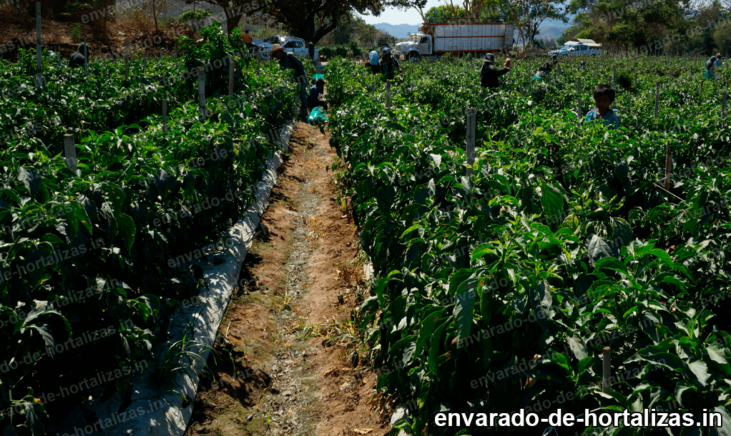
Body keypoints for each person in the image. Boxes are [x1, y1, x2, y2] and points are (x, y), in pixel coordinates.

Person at [271, 44, 308, 120]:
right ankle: (295, 114)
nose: (275, 57)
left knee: (302, 94)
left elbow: (300, 64)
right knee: (295, 96)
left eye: (275, 54)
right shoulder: (280, 63)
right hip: (294, 81)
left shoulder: (289, 55)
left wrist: (301, 75)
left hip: (301, 77)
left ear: (279, 52)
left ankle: (305, 114)